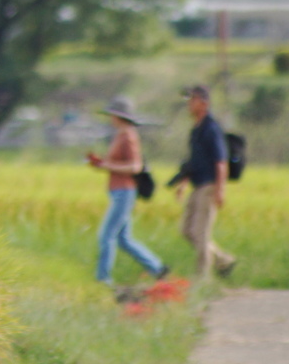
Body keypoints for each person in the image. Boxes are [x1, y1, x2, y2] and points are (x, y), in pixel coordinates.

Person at [88, 96, 169, 286]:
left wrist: (107, 165)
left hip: (125, 191)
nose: (110, 118)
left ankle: (103, 278)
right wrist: (102, 164)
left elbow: (135, 166)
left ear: (118, 116)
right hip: (118, 191)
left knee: (106, 235)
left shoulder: (129, 136)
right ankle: (157, 268)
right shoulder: (120, 134)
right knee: (123, 239)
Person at [171, 85, 236, 278]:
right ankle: (223, 260)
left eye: (193, 100)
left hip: (209, 186)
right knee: (187, 231)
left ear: (204, 104)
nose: (189, 104)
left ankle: (202, 280)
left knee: (201, 234)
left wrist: (220, 190)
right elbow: (194, 161)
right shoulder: (196, 130)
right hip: (197, 185)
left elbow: (221, 161)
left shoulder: (211, 129)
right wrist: (183, 184)